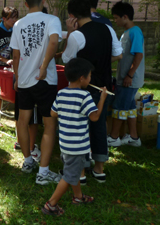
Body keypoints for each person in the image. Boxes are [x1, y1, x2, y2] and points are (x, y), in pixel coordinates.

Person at [61, 0, 122, 184]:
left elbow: (66, 60)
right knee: (99, 125)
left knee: (81, 128)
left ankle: (81, 171)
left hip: (84, 88)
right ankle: (99, 168)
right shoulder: (108, 29)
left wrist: (70, 33)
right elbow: (117, 53)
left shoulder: (78, 35)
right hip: (103, 86)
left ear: (72, 16)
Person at [10, 0, 62, 185]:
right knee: (49, 124)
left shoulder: (18, 24)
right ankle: (43, 171)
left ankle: (27, 161)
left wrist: (16, 76)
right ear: (43, 0)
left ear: (25, 3)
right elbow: (54, 43)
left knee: (22, 121)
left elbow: (15, 54)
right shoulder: (52, 20)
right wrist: (43, 66)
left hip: (24, 81)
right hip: (45, 81)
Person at [42, 58, 107, 216]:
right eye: (90, 76)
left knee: (74, 171)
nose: (91, 79)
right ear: (82, 78)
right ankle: (51, 204)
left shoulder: (61, 93)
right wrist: (103, 98)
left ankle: (78, 197)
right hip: (78, 146)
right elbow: (95, 117)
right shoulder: (84, 96)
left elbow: (53, 113)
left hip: (65, 144)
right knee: (70, 175)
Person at [108, 2, 145, 147]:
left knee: (119, 107)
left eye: (116, 18)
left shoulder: (135, 32)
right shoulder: (126, 33)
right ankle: (134, 138)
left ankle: (113, 137)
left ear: (125, 17)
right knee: (129, 108)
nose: (115, 21)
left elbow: (139, 55)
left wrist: (129, 75)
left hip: (129, 80)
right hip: (125, 78)